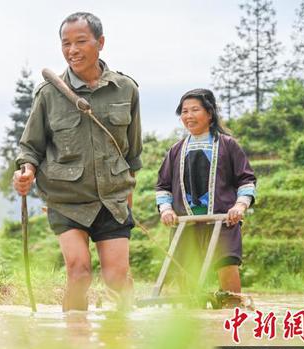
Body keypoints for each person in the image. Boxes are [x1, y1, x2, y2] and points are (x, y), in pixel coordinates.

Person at [13, 12, 142, 311]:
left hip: (112, 200)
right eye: (66, 43)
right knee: (79, 273)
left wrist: (127, 201)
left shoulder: (126, 89)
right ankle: (74, 345)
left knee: (117, 278)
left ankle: (124, 344)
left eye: (81, 41)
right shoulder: (48, 94)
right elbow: (30, 147)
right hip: (67, 200)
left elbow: (132, 154)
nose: (72, 50)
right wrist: (26, 171)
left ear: (100, 43)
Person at [155, 89, 256, 305]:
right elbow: (163, 187)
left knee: (227, 270)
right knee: (187, 284)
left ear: (209, 113)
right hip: (185, 224)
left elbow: (246, 180)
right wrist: (167, 210)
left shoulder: (228, 145)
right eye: (184, 111)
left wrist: (239, 206)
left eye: (195, 110)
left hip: (223, 221)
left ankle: (230, 317)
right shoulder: (176, 150)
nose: (188, 116)